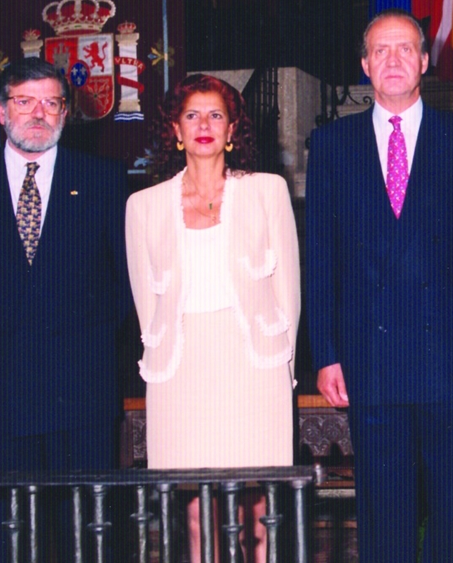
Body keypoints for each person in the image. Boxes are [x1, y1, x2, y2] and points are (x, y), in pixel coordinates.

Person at [303, 8, 453, 563]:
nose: (393, 60)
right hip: (370, 356)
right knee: (383, 516)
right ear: (365, 65)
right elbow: (319, 257)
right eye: (380, 50)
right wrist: (326, 352)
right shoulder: (331, 143)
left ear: (423, 61)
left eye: (405, 49)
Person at [0, 57, 130, 560]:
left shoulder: (104, 179)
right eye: (25, 102)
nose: (38, 114)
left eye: (51, 102)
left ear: (67, 112)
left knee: (89, 534)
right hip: (2, 389)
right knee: (10, 535)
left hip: (82, 391)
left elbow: (123, 283)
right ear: (2, 111)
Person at [125, 74, 300, 561]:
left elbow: (288, 293)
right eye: (192, 115)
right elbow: (146, 305)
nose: (204, 124)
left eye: (216, 114)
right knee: (198, 508)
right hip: (180, 373)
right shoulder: (143, 206)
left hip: (252, 367)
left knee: (258, 504)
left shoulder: (267, 191)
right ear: (175, 130)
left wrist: (281, 367)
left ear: (232, 129)